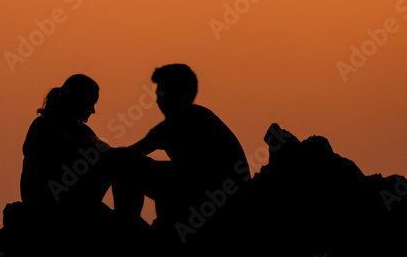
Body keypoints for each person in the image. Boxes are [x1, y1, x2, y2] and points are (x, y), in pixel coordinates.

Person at [114, 64, 249, 223]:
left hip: (212, 200)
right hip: (208, 195)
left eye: (162, 92)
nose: (158, 98)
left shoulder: (182, 123)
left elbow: (130, 155)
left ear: (177, 93)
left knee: (128, 167)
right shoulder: (198, 117)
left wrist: (101, 150)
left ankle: (126, 225)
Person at [20, 74, 114, 212]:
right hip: (43, 198)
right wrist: (80, 145)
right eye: (90, 103)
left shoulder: (82, 130)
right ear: (78, 100)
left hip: (76, 197)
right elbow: (40, 155)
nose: (93, 110)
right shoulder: (42, 125)